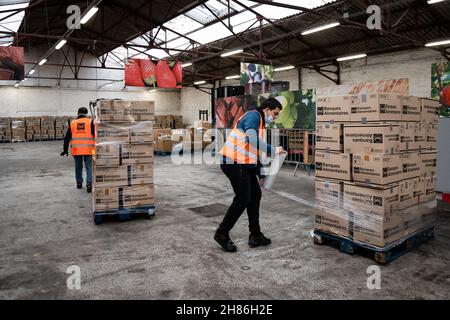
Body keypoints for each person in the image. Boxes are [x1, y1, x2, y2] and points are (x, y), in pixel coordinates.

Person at [215, 98, 285, 252]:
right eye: (275, 113)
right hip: (233, 162)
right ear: (267, 109)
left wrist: (259, 172)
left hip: (244, 164)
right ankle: (222, 233)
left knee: (255, 196)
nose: (275, 117)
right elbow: (252, 140)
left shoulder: (260, 121)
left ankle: (255, 235)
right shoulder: (253, 116)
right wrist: (273, 150)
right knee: (243, 198)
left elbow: (253, 150)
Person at [60, 107, 95, 193]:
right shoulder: (90, 122)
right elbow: (96, 135)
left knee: (78, 166)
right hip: (89, 149)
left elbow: (67, 138)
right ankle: (89, 184)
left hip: (76, 150)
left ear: (78, 113)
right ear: (86, 114)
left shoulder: (73, 123)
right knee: (89, 166)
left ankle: (79, 183)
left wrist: (65, 150)